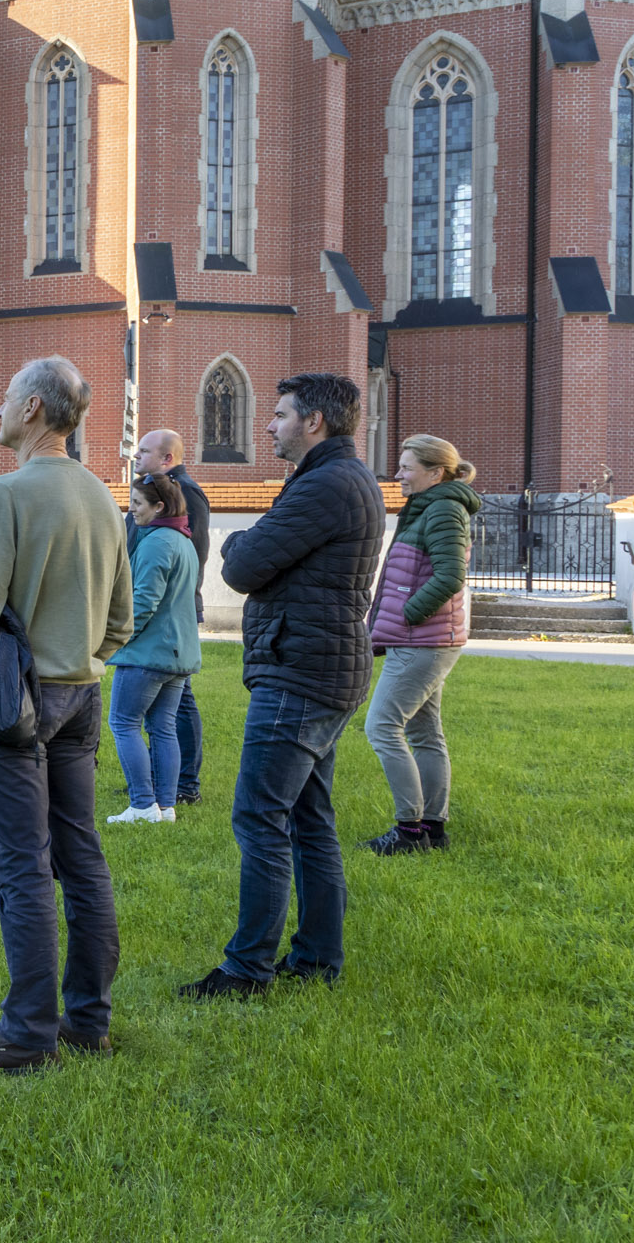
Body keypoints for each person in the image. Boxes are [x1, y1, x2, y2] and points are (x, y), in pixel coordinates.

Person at [0, 356, 131, 1071]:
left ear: (33, 410)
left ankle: (26, 1034)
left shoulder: (6, 494)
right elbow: (122, 619)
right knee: (81, 858)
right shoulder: (102, 494)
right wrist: (82, 657)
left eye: (7, 395)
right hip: (81, 692)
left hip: (16, 701)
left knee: (23, 869)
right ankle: (89, 1021)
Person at [182, 373, 385, 1001]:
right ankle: (318, 958)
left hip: (300, 672)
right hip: (321, 666)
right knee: (308, 818)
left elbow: (243, 565)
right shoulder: (339, 477)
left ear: (313, 422)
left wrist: (243, 541)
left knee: (260, 817)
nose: (268, 424)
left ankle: (247, 970)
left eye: (279, 414)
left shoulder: (327, 484)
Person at [362, 433, 479, 856]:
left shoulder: (444, 509)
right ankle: (432, 828)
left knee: (382, 726)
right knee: (425, 732)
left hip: (422, 640)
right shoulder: (429, 507)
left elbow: (450, 576)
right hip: (424, 639)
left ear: (435, 472)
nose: (398, 474)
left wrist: (409, 614)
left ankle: (409, 832)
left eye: (407, 467)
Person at [105, 475, 202, 825]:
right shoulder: (183, 540)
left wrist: (117, 639)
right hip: (177, 655)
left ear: (159, 507)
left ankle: (143, 806)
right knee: (163, 728)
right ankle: (165, 807)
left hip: (148, 655)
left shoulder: (156, 542)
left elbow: (143, 603)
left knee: (123, 723)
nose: (131, 509)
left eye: (137, 503)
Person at [133, 428, 213, 804]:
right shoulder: (152, 489)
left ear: (167, 458)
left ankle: (184, 784)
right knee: (163, 705)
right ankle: (160, 778)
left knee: (178, 702)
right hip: (157, 603)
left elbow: (192, 553)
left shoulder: (185, 491)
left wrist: (176, 601)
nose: (136, 455)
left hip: (169, 609)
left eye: (144, 451)